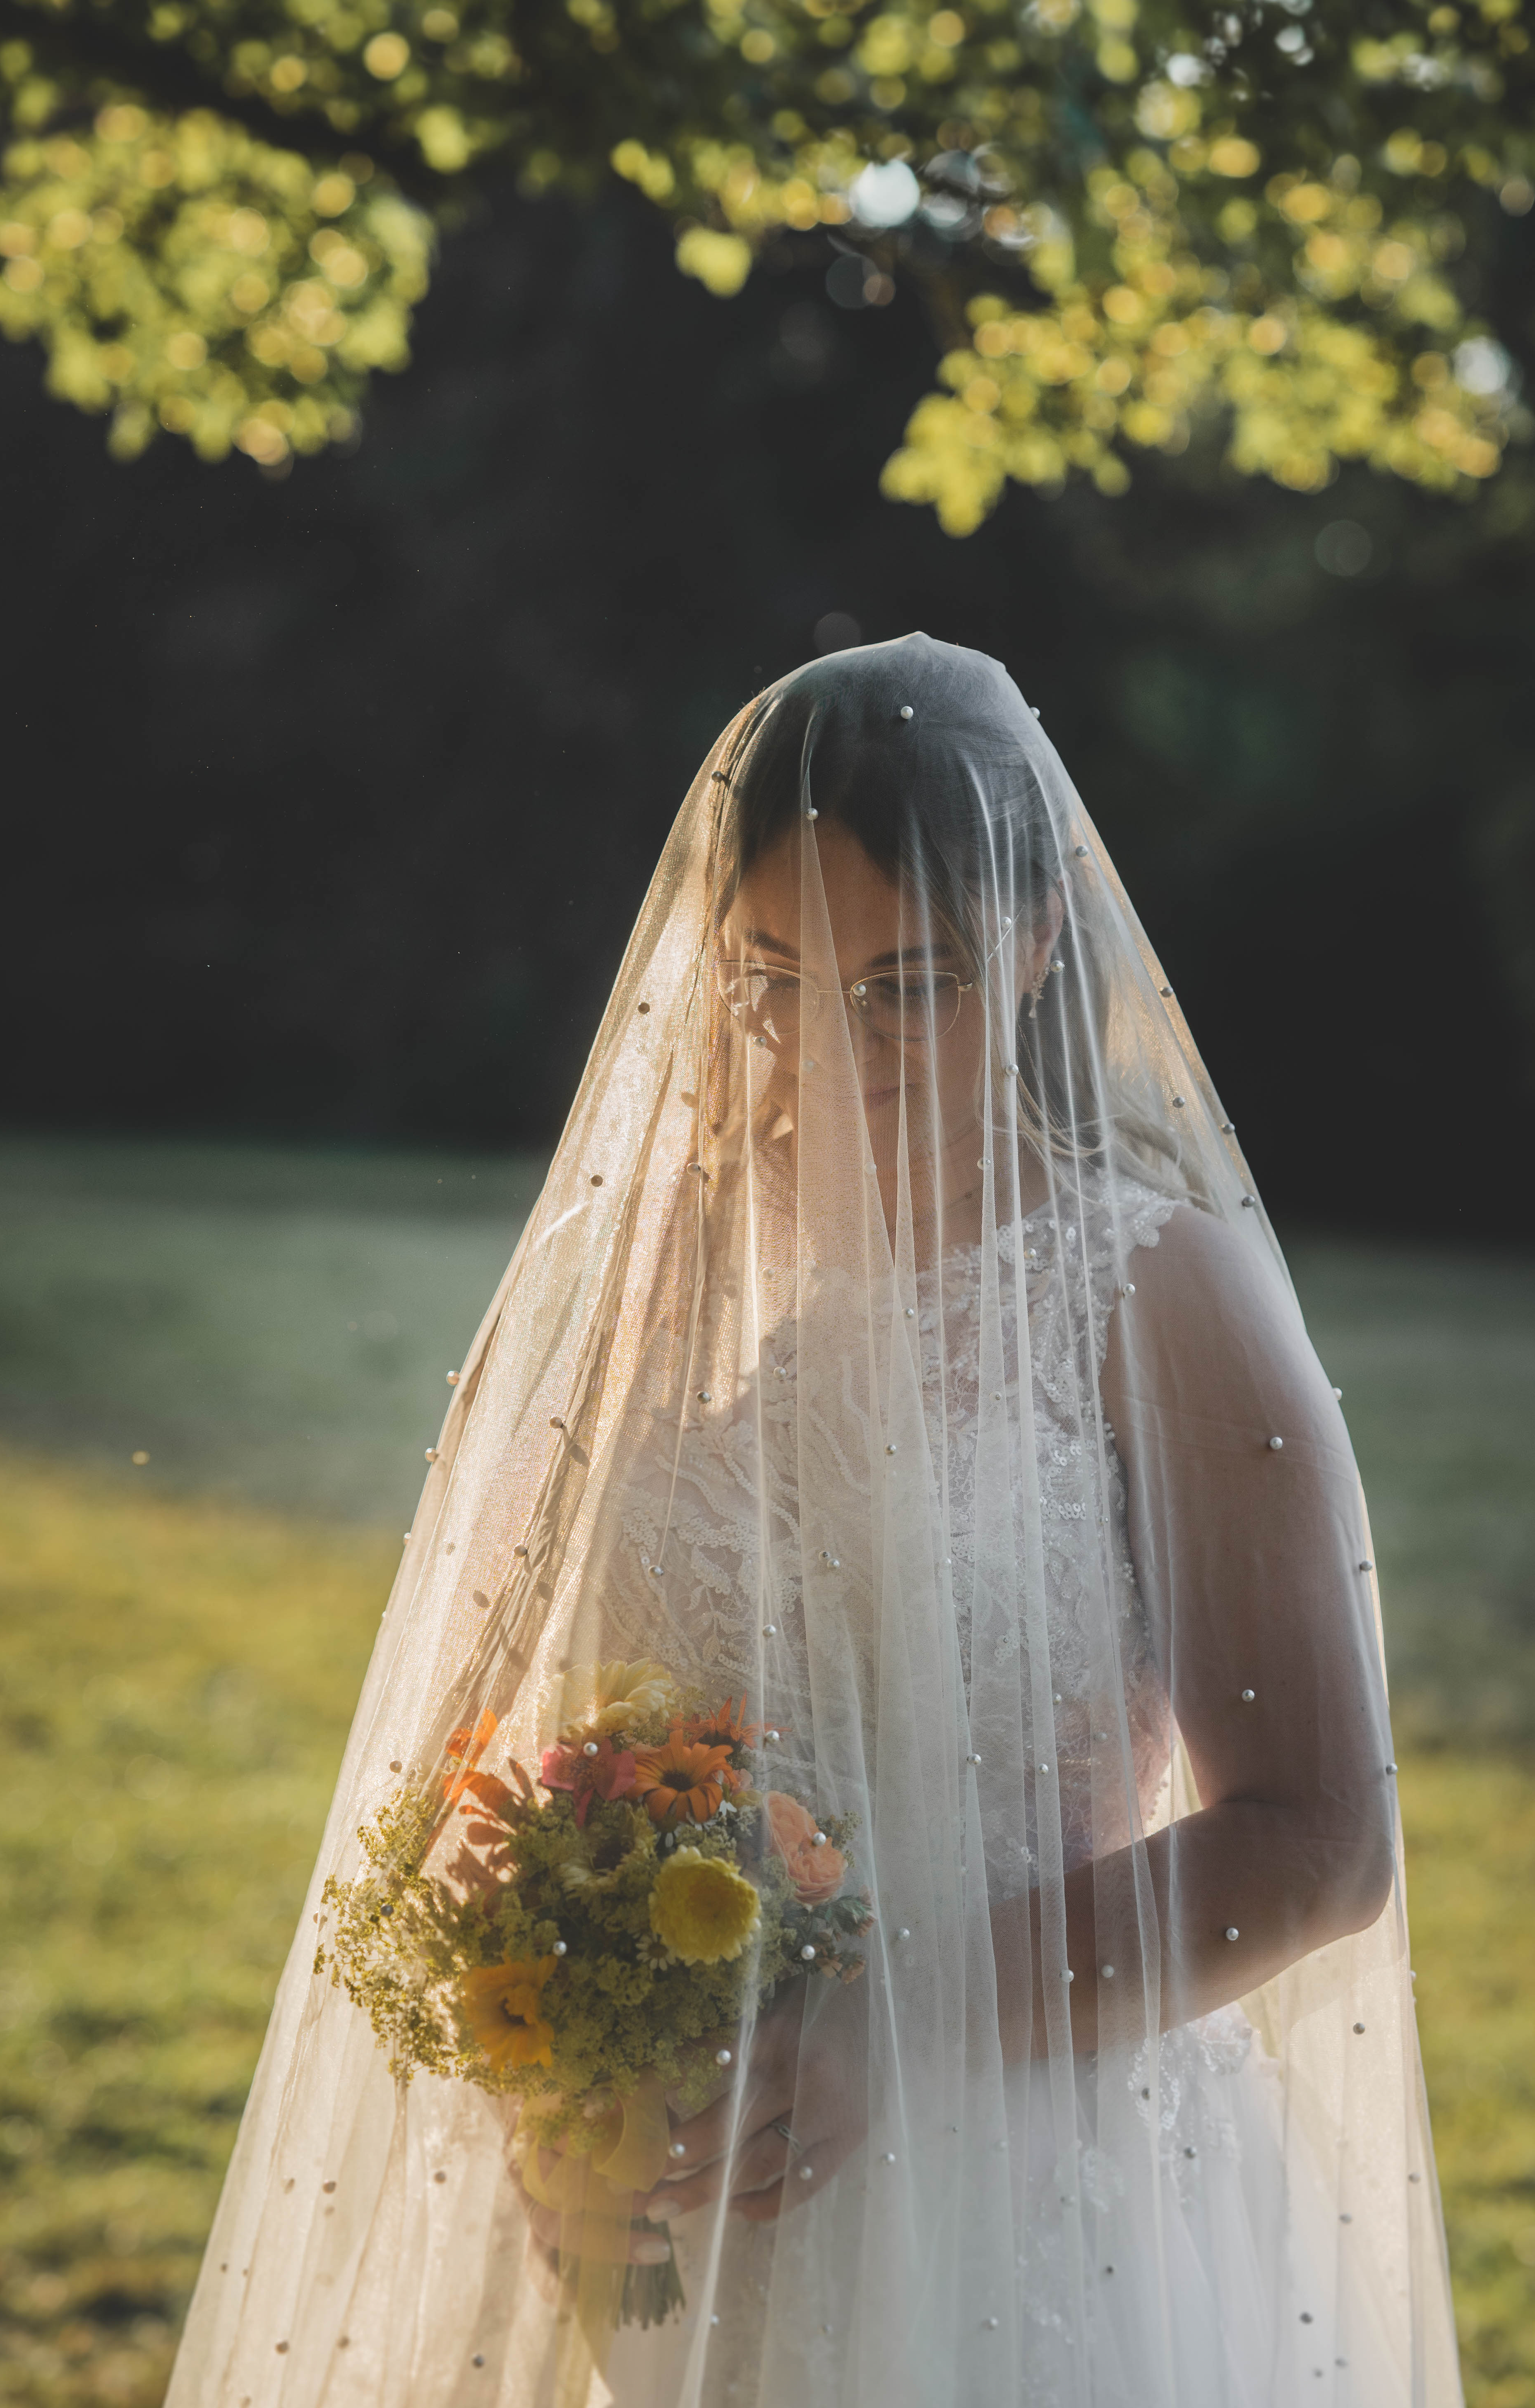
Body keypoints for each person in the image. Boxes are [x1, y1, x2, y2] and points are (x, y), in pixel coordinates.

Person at [168, 635, 1462, 2408]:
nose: (830, 1049)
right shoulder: (661, 1280)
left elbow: (1318, 1837)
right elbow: (520, 1742)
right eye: (772, 978)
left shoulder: (1148, 1290)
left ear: (1021, 943)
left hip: (1031, 2216)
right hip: (693, 2228)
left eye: (903, 985)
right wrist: (566, 2068)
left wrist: (894, 2029)